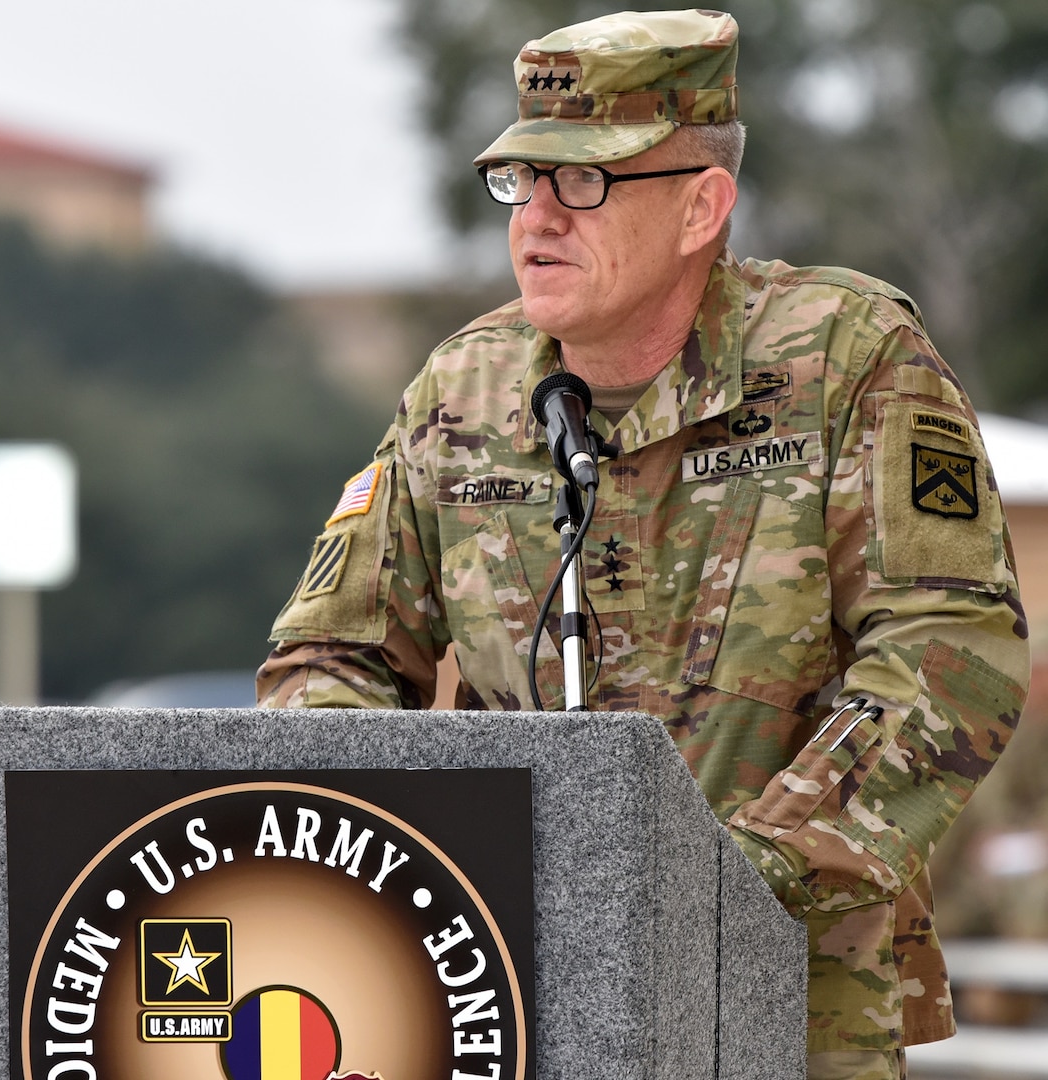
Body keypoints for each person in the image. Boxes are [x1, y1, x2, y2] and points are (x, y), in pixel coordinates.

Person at [257, 10, 1030, 1078]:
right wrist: (412, 859)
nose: (534, 218)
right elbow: (326, 660)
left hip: (781, 1009)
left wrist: (720, 879)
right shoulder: (464, 390)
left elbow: (949, 655)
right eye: (519, 181)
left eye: (580, 183)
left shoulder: (842, 357)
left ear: (699, 207)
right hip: (505, 1004)